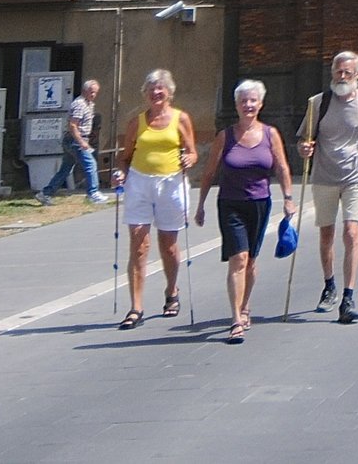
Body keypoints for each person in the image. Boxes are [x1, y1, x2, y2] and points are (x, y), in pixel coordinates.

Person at [194, 79, 293, 343]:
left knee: (251, 260)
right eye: (243, 101)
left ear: (260, 104)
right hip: (230, 203)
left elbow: (282, 167)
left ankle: (246, 304)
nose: (248, 105)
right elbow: (209, 172)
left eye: (253, 100)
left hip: (260, 203)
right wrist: (201, 204)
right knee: (239, 257)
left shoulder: (271, 134)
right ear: (236, 105)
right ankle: (236, 318)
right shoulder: (225, 136)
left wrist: (288, 198)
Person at [298, 49, 358, 325]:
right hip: (324, 176)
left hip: (356, 177)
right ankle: (329, 285)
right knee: (327, 235)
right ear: (332, 72)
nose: (342, 76)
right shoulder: (318, 103)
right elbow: (305, 140)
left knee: (351, 233)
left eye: (348, 72)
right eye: (338, 71)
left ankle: (348, 296)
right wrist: (304, 149)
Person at [110, 69, 197, 329]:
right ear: (145, 94)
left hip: (171, 183)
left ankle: (172, 291)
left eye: (161, 89)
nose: (156, 93)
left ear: (169, 93)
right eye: (151, 89)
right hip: (140, 182)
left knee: (168, 243)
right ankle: (136, 307)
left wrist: (188, 159)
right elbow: (124, 158)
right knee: (138, 243)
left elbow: (192, 153)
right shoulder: (136, 122)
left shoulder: (181, 119)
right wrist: (119, 174)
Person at [38, 79, 106, 206]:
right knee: (91, 165)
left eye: (95, 93)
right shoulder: (79, 104)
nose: (93, 95)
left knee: (65, 169)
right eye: (91, 92)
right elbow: (73, 125)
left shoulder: (89, 104)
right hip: (75, 140)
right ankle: (93, 193)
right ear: (84, 91)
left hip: (78, 139)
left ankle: (45, 193)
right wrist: (81, 142)